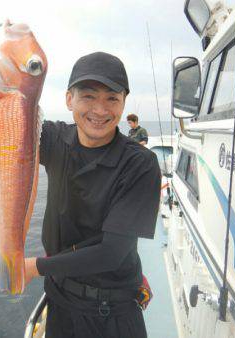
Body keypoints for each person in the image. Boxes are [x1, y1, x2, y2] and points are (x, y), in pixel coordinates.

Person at [24, 52, 161, 337]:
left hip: (112, 313)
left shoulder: (140, 164)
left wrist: (33, 267)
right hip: (59, 301)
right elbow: (10, 121)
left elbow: (111, 254)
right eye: (88, 96)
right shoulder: (51, 138)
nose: (100, 110)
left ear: (124, 103)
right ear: (69, 99)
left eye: (112, 98)